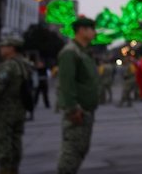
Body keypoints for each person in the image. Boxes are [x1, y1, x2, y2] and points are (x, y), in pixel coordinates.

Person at [0, 35, 32, 174]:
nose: (1, 48)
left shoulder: (8, 65)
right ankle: (13, 169)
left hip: (4, 111)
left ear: (11, 48)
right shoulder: (24, 64)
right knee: (15, 142)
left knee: (1, 142)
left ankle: (5, 170)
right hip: (19, 109)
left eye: (4, 46)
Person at [57, 17, 100, 174]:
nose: (94, 33)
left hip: (86, 111)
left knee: (80, 149)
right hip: (78, 113)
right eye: (92, 29)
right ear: (82, 31)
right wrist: (72, 109)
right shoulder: (70, 52)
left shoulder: (84, 52)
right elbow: (66, 84)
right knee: (71, 153)